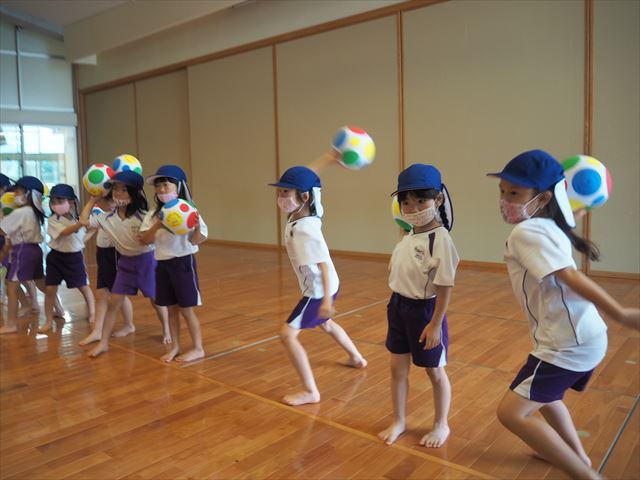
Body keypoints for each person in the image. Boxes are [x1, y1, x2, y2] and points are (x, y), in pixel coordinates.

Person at [488, 149, 640, 479]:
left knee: (512, 414)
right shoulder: (546, 225)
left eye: (514, 193)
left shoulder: (526, 232)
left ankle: (586, 475)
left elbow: (569, 276)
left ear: (542, 198)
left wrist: (621, 313)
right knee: (545, 397)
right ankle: (577, 455)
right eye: (502, 190)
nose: (505, 199)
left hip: (566, 345)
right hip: (583, 338)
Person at [268, 150, 367, 406]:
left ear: (302, 197)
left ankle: (310, 391)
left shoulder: (304, 229)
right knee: (327, 324)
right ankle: (356, 358)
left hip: (317, 291)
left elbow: (322, 261)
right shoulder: (310, 209)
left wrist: (324, 302)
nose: (281, 197)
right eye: (280, 192)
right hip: (329, 285)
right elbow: (309, 177)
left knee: (287, 335)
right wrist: (328, 159)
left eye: (285, 193)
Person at [378, 164, 458, 448]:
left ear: (437, 200)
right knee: (397, 368)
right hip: (397, 307)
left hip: (424, 312)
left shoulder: (441, 240)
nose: (412, 207)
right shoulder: (408, 234)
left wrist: (435, 323)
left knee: (435, 371)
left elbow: (444, 286)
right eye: (406, 202)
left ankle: (441, 424)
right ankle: (399, 419)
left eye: (420, 200)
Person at [79, 170, 169, 357]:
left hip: (145, 263)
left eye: (123, 190)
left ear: (133, 193)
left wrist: (146, 237)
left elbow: (153, 237)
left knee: (156, 300)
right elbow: (83, 220)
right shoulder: (106, 218)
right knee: (114, 303)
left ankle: (167, 329)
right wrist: (93, 200)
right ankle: (103, 343)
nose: (117, 194)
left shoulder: (145, 215)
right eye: (115, 190)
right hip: (125, 264)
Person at [139, 165, 208, 363]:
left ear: (178, 187)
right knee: (170, 308)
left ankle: (197, 348)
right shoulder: (153, 214)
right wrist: (159, 223)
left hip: (183, 263)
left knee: (186, 309)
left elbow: (197, 240)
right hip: (162, 264)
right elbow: (146, 239)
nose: (161, 190)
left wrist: (194, 228)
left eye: (166, 186)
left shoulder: (190, 210)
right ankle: (176, 347)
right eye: (158, 186)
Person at [39, 184, 95, 333]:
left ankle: (93, 313)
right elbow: (65, 233)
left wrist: (93, 231)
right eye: (53, 201)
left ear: (71, 202)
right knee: (50, 289)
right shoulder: (53, 220)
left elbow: (80, 240)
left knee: (84, 287)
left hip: (74, 258)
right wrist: (80, 224)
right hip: (56, 258)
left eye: (60, 200)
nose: (56, 204)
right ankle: (48, 320)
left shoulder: (78, 219)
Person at [78, 197, 134, 346]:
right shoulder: (100, 213)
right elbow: (87, 223)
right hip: (102, 253)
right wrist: (91, 201)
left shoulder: (118, 214)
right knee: (102, 293)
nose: (100, 202)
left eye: (105, 199)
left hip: (114, 253)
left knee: (117, 294)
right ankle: (98, 331)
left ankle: (128, 325)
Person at [0, 176, 48, 333]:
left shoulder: (21, 212)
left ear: (29, 194)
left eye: (18, 191)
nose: (14, 194)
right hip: (35, 250)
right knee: (41, 283)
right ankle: (58, 308)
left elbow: (2, 230)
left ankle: (11, 324)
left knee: (11, 286)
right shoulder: (34, 212)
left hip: (22, 251)